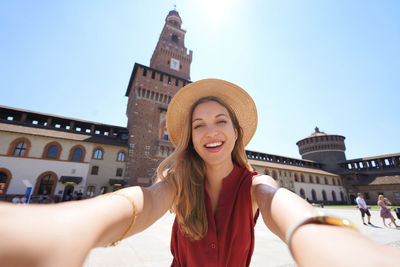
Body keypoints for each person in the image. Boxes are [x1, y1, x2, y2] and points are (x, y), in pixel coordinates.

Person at [0, 79, 398, 267]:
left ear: (236, 131)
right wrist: (71, 225)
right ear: (189, 137)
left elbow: (285, 207)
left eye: (220, 121)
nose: (210, 132)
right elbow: (145, 201)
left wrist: (327, 241)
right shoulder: (177, 183)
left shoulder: (255, 183)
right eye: (198, 124)